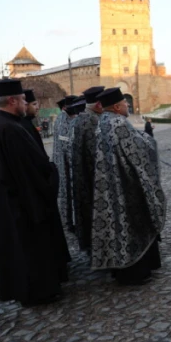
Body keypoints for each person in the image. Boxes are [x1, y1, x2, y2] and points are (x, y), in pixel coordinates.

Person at [0, 79, 70, 306]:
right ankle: (39, 293)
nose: (26, 103)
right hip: (26, 203)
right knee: (31, 249)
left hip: (10, 202)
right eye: (23, 99)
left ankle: (29, 290)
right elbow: (31, 170)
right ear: (12, 100)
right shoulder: (10, 129)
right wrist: (52, 174)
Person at [92, 87, 165, 285]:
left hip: (112, 186)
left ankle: (121, 271)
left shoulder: (103, 123)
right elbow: (140, 150)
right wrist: (149, 136)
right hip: (127, 186)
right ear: (116, 106)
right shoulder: (119, 124)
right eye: (125, 103)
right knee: (131, 227)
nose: (128, 106)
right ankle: (135, 273)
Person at [69, 86, 105, 255]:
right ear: (98, 104)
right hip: (92, 182)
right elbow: (96, 155)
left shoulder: (83, 118)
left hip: (84, 179)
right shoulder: (92, 121)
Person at [53, 95, 78, 233]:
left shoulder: (63, 118)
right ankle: (69, 223)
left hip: (63, 164)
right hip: (65, 165)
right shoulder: (64, 120)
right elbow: (67, 145)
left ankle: (68, 221)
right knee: (67, 195)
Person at [20, 89, 47, 157]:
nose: (37, 108)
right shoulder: (23, 125)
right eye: (34, 104)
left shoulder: (28, 122)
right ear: (26, 106)